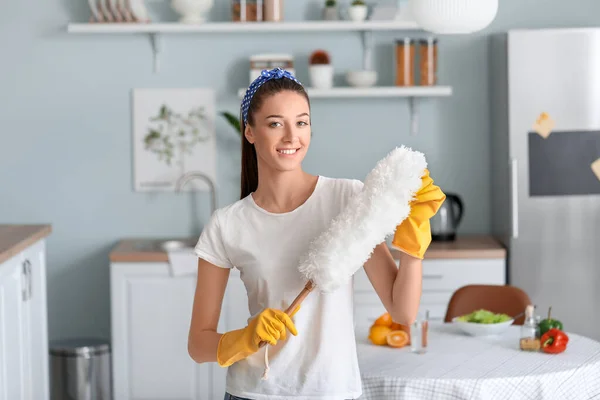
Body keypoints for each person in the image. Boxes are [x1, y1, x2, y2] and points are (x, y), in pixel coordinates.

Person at [188, 68, 445, 400]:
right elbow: (198, 345)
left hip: (332, 391)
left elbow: (402, 312)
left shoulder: (347, 200)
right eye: (275, 123)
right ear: (249, 132)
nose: (292, 137)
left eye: (302, 122)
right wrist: (246, 338)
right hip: (253, 393)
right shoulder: (227, 224)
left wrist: (414, 232)